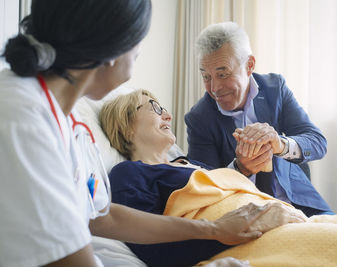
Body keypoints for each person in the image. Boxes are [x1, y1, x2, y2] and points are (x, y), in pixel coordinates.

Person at [0, 2, 274, 266]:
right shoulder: (22, 116)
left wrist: (214, 229)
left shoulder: (70, 123)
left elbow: (104, 218)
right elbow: (63, 257)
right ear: (112, 49)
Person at [99, 89, 308, 267]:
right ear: (126, 125)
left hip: (287, 225)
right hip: (251, 244)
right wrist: (243, 229)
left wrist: (264, 164)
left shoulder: (195, 166)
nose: (168, 116)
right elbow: (154, 251)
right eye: (155, 108)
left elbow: (257, 201)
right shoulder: (129, 173)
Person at [184, 21, 333, 217]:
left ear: (249, 65)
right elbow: (205, 188)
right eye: (206, 76)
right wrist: (240, 168)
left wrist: (280, 145)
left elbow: (317, 142)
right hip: (246, 214)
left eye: (222, 74)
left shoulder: (275, 89)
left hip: (300, 203)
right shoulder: (199, 118)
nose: (214, 88)